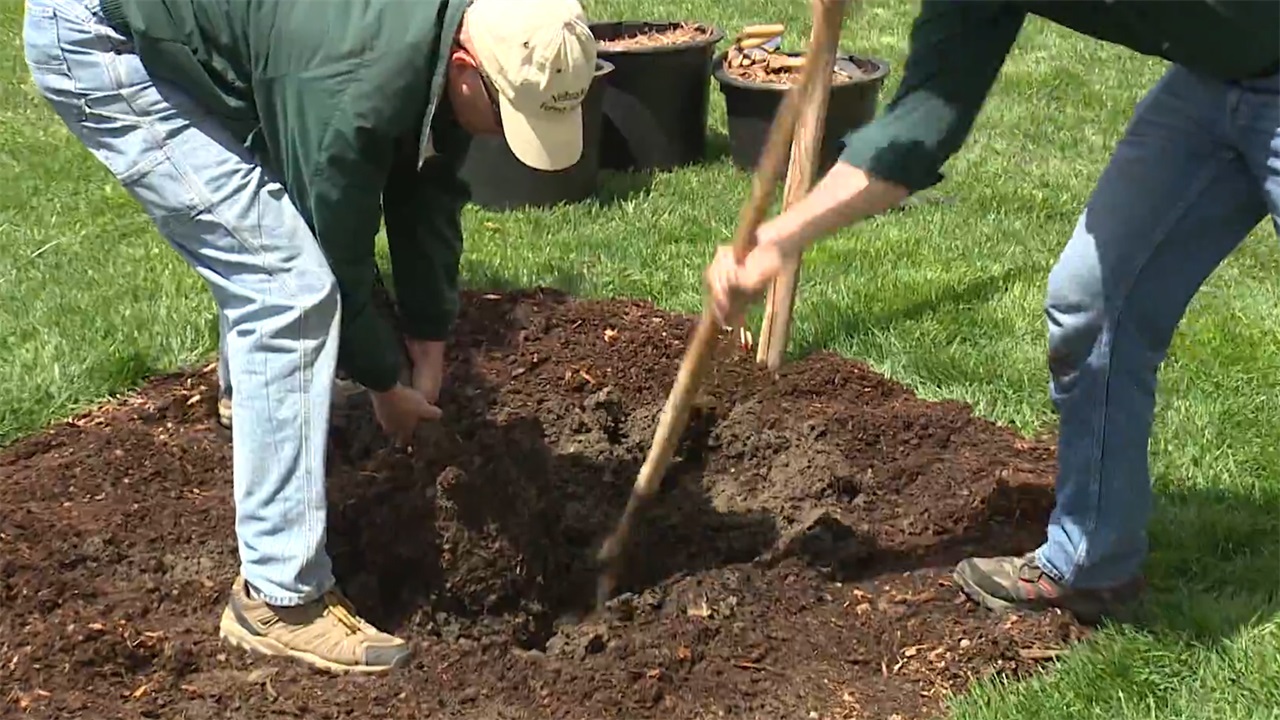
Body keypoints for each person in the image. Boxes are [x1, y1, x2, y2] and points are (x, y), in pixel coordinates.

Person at [23, 0, 599, 672]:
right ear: (467, 69)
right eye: (506, 116)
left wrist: (428, 337)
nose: (505, 136)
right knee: (285, 287)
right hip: (100, 34)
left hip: (232, 33)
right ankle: (278, 598)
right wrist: (386, 383)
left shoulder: (457, 32)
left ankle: (260, 404)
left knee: (269, 243)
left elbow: (428, 188)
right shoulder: (350, 87)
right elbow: (333, 250)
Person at [705, 0, 1279, 625]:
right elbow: (918, 128)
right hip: (1214, 76)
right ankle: (1091, 561)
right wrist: (781, 239)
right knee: (1092, 306)